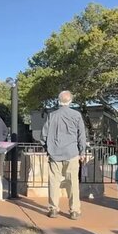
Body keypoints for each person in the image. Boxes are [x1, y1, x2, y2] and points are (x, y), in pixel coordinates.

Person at [41, 91, 87, 219]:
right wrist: (82, 151)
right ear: (70, 101)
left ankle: (53, 209)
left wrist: (47, 148)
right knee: (73, 182)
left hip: (54, 153)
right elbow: (81, 136)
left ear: (58, 100)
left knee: (54, 182)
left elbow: (43, 135)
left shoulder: (52, 116)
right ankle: (74, 210)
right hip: (72, 153)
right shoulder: (76, 115)